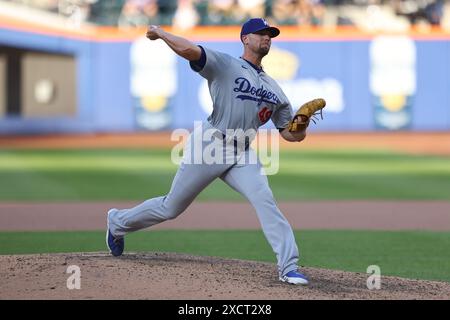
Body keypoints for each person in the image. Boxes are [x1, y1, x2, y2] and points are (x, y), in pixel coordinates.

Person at [106, 18, 325, 285]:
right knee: (171, 207)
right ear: (246, 38)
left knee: (265, 200)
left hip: (243, 151)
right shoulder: (226, 64)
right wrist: (162, 34)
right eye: (262, 33)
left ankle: (288, 266)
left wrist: (301, 126)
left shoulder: (275, 90)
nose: (267, 37)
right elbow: (191, 51)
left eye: (270, 34)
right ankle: (117, 222)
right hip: (211, 143)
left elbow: (289, 134)